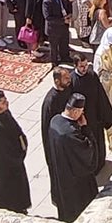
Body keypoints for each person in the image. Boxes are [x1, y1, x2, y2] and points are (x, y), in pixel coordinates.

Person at [47, 92, 100, 223]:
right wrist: (85, 128)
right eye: (81, 111)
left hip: (60, 176)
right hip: (75, 183)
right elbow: (88, 151)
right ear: (76, 111)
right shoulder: (71, 134)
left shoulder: (55, 121)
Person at [0, 89, 31, 214]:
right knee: (12, 199)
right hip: (7, 172)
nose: (7, 103)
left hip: (16, 165)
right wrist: (18, 157)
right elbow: (2, 156)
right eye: (3, 102)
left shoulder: (5, 113)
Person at [70, 53, 112, 168]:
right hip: (83, 119)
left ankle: (101, 161)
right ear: (75, 66)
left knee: (98, 141)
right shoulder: (72, 80)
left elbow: (100, 95)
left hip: (95, 117)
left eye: (86, 65)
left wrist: (105, 115)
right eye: (81, 66)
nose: (85, 68)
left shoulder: (92, 75)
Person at [40, 66, 74, 201]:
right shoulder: (50, 102)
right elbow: (47, 128)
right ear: (57, 81)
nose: (69, 80)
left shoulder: (68, 89)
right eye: (66, 78)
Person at [43, 0, 73, 64]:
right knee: (54, 46)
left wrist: (69, 14)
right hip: (54, 27)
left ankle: (65, 57)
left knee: (64, 42)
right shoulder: (47, 0)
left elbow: (68, 4)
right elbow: (48, 17)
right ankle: (54, 61)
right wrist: (63, 20)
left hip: (64, 24)